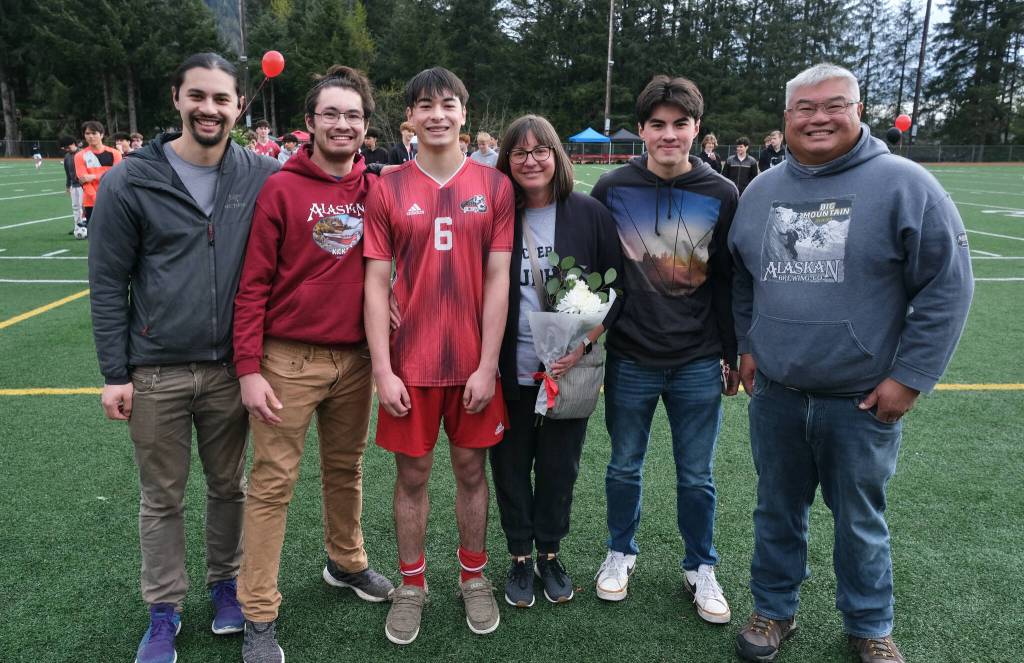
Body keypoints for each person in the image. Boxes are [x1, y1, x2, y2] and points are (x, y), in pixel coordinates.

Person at [729, 63, 973, 663]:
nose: (818, 118)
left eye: (833, 105)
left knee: (860, 522)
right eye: (804, 108)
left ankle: (870, 625)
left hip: (860, 400)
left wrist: (910, 378)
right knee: (775, 511)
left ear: (858, 109)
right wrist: (748, 343)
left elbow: (947, 286)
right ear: (786, 119)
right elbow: (740, 277)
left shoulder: (904, 184)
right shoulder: (761, 191)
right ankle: (772, 611)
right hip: (778, 394)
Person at [88, 52, 279, 663]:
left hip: (232, 369)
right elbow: (108, 281)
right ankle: (163, 609)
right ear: (176, 98)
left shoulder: (261, 173)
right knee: (161, 496)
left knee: (229, 488)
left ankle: (225, 584)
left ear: (238, 107)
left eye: (222, 99)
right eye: (198, 96)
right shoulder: (130, 179)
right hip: (156, 370)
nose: (209, 109)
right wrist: (115, 373)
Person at [233, 65, 393, 663]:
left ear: (365, 125)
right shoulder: (281, 188)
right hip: (287, 360)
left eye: (353, 115)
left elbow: (389, 264)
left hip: (354, 360)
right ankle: (259, 613)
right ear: (310, 123)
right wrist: (249, 368)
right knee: (272, 487)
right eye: (331, 114)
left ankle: (345, 563)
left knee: (346, 470)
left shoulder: (376, 189)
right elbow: (252, 286)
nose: (343, 124)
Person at [363, 66, 514, 645]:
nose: (436, 115)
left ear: (464, 114)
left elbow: (498, 279)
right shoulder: (388, 186)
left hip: (473, 365)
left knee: (473, 472)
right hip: (412, 365)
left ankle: (473, 577)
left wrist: (487, 363)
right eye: (424, 105)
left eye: (447, 104)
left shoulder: (495, 187)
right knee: (413, 475)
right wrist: (383, 369)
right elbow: (376, 284)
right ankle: (411, 585)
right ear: (410, 117)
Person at [590, 74, 740, 626]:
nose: (670, 134)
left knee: (696, 474)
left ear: (698, 129)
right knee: (624, 466)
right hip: (631, 357)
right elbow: (596, 271)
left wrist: (733, 350)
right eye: (659, 124)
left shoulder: (722, 192)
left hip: (698, 359)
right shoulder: (611, 187)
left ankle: (701, 565)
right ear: (641, 131)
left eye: (681, 124)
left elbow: (727, 279)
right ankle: (620, 551)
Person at [492, 114, 623, 607]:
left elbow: (615, 291)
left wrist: (584, 344)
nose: (530, 161)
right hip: (510, 368)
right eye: (519, 153)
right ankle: (520, 556)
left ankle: (550, 552)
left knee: (558, 467)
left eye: (540, 150)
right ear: (507, 161)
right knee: (509, 465)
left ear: (556, 156)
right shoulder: (500, 214)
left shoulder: (587, 213)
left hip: (568, 371)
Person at [74, 120, 122, 234]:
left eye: (94, 133)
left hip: (112, 199)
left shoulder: (115, 153)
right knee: (96, 237)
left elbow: (116, 176)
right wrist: (97, 198)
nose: (90, 136)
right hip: (91, 202)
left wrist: (93, 176)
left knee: (115, 235)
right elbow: (84, 181)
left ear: (101, 134)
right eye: (87, 133)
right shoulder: (79, 156)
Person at [59, 136, 84, 234]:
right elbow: (67, 173)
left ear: (74, 143)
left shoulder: (83, 153)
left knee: (83, 208)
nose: (66, 149)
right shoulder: (67, 156)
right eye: (65, 148)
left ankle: (85, 227)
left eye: (68, 147)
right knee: (75, 207)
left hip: (84, 185)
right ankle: (77, 227)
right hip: (74, 186)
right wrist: (67, 186)